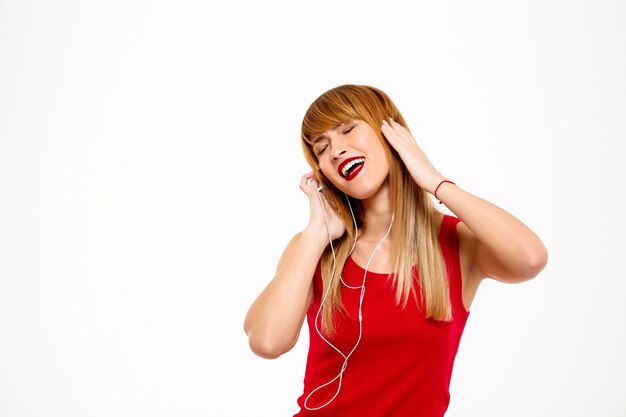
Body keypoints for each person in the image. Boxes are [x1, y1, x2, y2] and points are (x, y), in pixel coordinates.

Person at [243, 84, 548, 416]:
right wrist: (317, 232)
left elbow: (530, 258)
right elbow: (267, 341)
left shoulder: (456, 244)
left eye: (347, 129)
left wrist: (433, 180)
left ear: (390, 132)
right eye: (322, 148)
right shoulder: (314, 248)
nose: (336, 151)